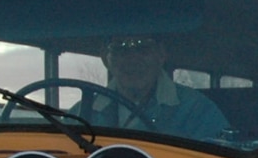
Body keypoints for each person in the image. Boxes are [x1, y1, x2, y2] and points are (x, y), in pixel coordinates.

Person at [79, 34, 230, 142]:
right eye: (120, 49)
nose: (132, 59)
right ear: (106, 58)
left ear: (161, 55)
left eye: (143, 48)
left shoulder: (198, 110)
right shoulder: (81, 113)